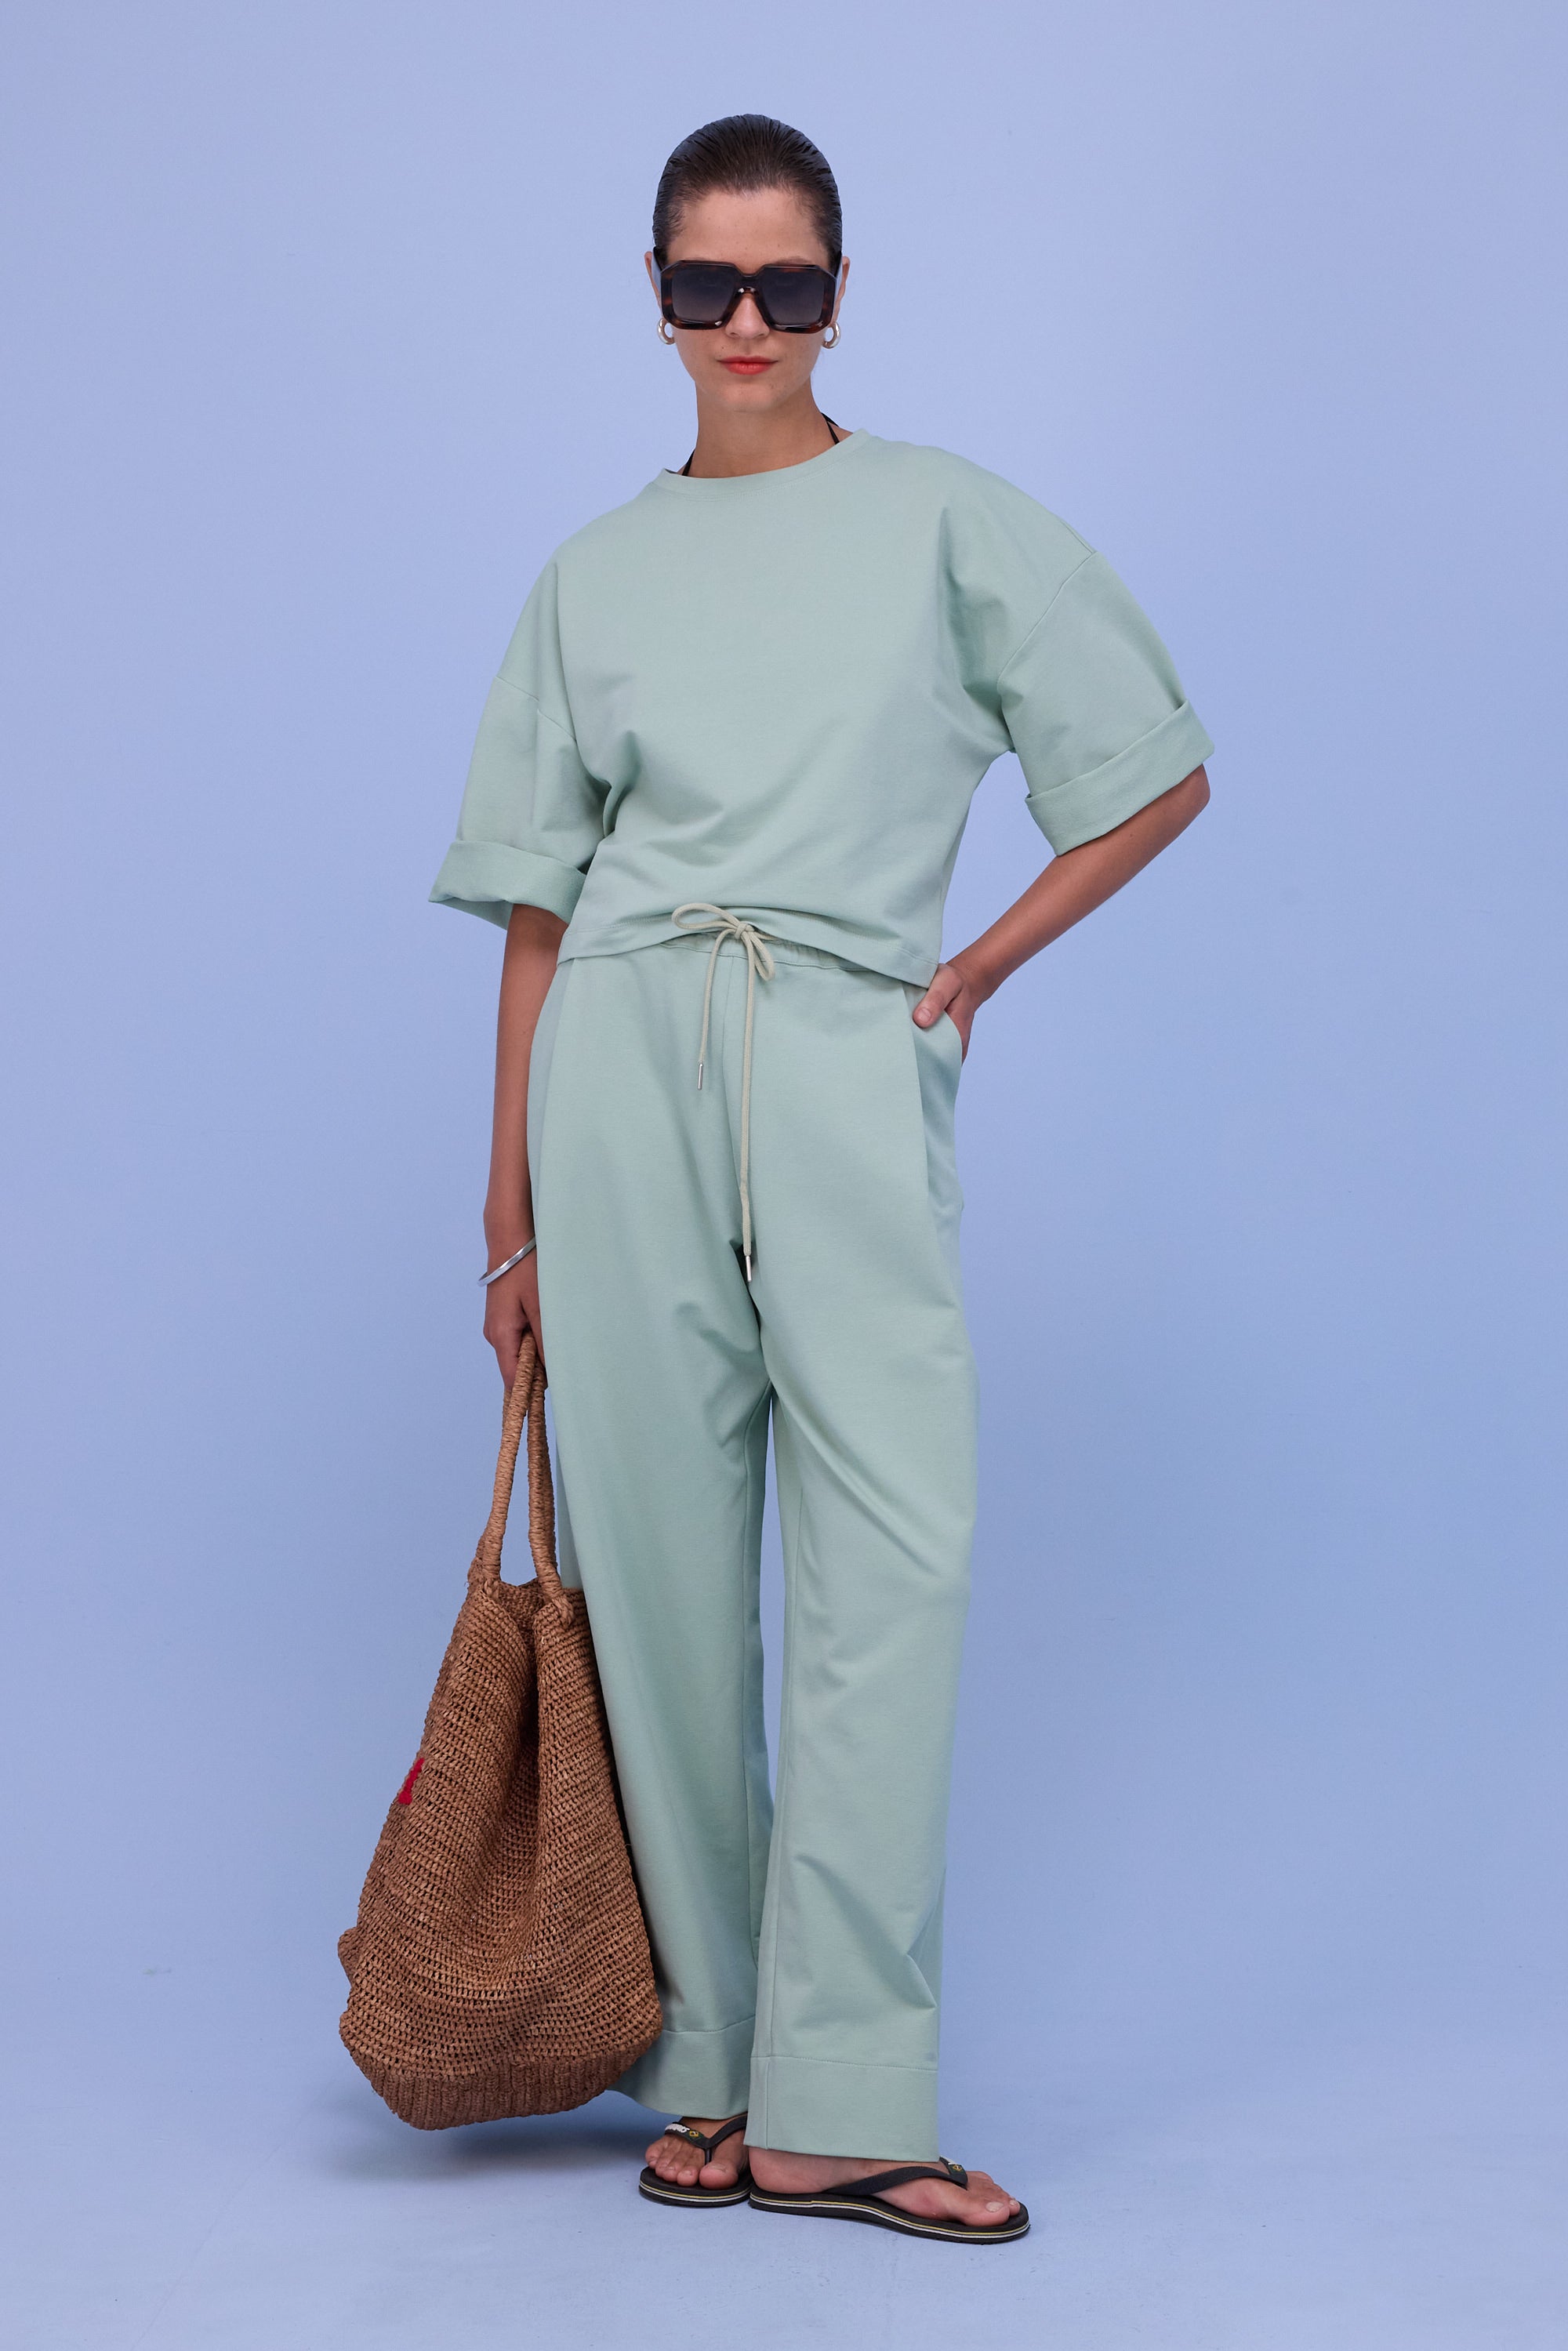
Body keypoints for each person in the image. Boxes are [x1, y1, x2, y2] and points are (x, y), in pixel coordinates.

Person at [430, 113, 1211, 2244]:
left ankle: (841, 2093)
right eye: (708, 286)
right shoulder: (593, 571)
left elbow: (1151, 766)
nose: (748, 323)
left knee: (894, 1555)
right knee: (659, 1581)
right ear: (659, 299)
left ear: (842, 293)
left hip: (847, 1045)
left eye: (786, 283)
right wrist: (505, 1217)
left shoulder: (945, 516)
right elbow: (537, 909)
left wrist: (975, 968)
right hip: (617, 1064)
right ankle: (711, 2070)